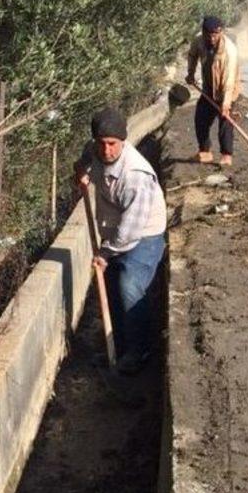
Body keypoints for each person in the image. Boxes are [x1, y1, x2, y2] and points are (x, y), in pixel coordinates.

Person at [75, 107, 166, 374]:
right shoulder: (95, 151)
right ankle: (116, 346)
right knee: (112, 286)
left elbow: (130, 231)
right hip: (116, 232)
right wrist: (81, 170)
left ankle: (139, 351)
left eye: (113, 144)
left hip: (144, 233)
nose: (107, 151)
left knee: (129, 286)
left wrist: (105, 254)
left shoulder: (135, 175)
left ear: (123, 142)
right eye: (101, 144)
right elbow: (86, 157)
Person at [186, 15, 240, 167]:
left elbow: (229, 81)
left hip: (227, 88)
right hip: (209, 88)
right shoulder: (199, 41)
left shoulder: (229, 51)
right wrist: (190, 73)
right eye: (209, 34)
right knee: (200, 118)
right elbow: (192, 55)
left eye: (215, 34)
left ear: (221, 32)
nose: (212, 38)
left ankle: (226, 155)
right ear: (203, 32)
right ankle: (205, 152)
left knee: (225, 122)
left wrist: (226, 103)